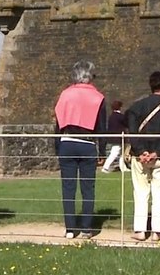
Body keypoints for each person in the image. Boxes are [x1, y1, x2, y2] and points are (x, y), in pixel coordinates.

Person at [52, 60, 107, 240]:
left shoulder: (65, 94)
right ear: (90, 76)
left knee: (68, 188)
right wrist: (102, 151)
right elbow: (101, 128)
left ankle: (69, 229)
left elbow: (58, 123)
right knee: (87, 188)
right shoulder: (98, 97)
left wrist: (57, 146)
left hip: (67, 142)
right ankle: (86, 228)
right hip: (88, 144)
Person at [125, 72, 160, 242]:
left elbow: (132, 132)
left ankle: (140, 230)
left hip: (139, 157)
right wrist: (157, 152)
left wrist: (141, 150)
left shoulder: (136, 107)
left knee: (141, 192)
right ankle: (157, 231)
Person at [100, 101, 127, 173]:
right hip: (118, 138)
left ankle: (123, 168)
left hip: (113, 138)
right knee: (114, 153)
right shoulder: (120, 117)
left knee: (121, 153)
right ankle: (105, 167)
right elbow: (126, 123)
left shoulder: (111, 116)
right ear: (120, 107)